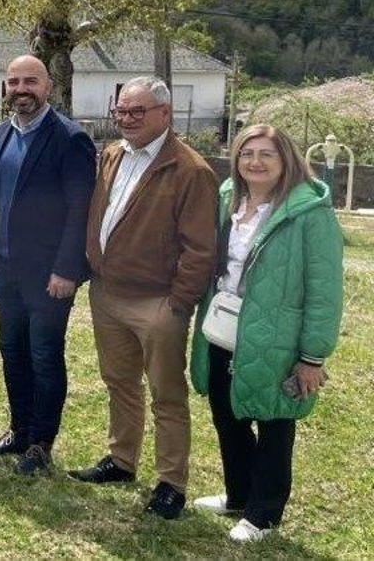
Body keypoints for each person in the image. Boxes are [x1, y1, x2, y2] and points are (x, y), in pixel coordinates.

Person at [71, 77, 219, 520]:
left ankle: (171, 482)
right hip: (108, 293)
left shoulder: (191, 170)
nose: (128, 119)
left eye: (139, 111)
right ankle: (121, 460)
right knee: (119, 383)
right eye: (122, 111)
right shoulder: (113, 154)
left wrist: (179, 302)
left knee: (166, 396)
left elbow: (200, 248)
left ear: (165, 114)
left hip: (159, 303)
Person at [190, 125, 344, 543]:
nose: (255, 162)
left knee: (275, 422)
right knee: (228, 414)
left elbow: (325, 288)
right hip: (222, 326)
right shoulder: (227, 199)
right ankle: (239, 496)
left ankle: (264, 515)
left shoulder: (309, 212)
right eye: (246, 154)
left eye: (266, 155)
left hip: (278, 335)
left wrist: (312, 355)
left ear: (286, 160)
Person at [0, 55, 96, 476]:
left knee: (44, 356)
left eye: (30, 81)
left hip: (49, 276)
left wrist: (67, 269)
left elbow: (80, 211)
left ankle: (42, 444)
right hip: (5, 269)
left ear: (47, 87)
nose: (21, 89)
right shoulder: (2, 133)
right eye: (13, 82)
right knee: (12, 350)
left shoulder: (70, 138)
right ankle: (20, 430)